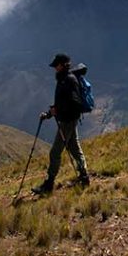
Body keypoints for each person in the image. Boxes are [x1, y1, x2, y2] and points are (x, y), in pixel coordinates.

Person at [32, 54, 90, 194]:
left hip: (67, 121)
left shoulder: (68, 80)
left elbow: (73, 102)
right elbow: (61, 103)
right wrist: (49, 114)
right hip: (68, 119)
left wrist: (56, 110)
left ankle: (49, 184)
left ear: (62, 65)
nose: (55, 68)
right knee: (74, 148)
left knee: (55, 152)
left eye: (56, 65)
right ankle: (84, 176)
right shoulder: (64, 79)